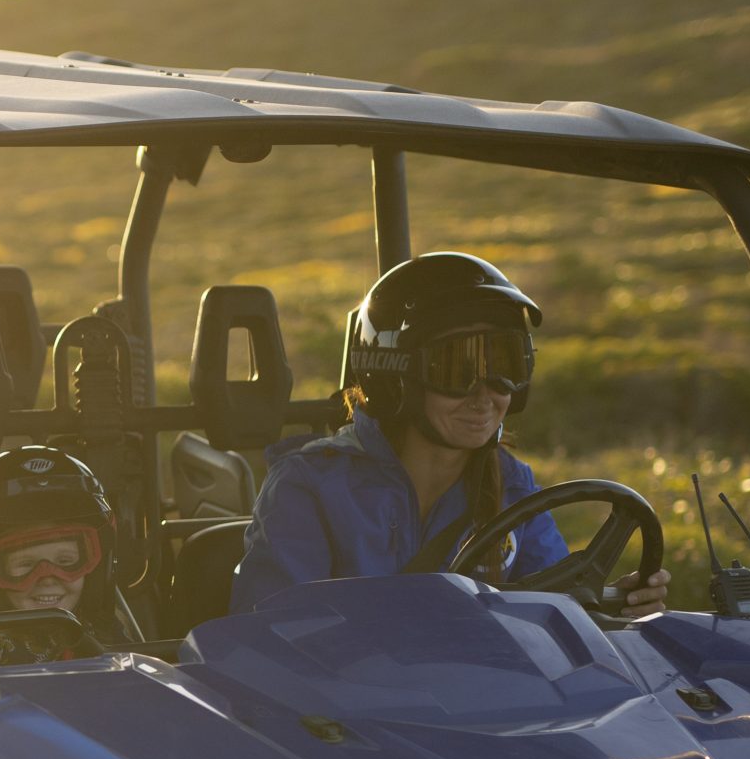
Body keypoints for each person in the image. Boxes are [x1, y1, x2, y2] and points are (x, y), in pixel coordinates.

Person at [231, 251, 670, 614]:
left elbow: (555, 609)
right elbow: (276, 637)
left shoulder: (512, 488)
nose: (485, 395)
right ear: (394, 378)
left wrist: (613, 604)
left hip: (482, 708)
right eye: (456, 369)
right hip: (350, 711)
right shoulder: (309, 486)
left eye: (504, 367)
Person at [0, 444, 126, 656]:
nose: (47, 577)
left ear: (96, 567)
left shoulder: (110, 639)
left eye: (66, 561)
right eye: (26, 565)